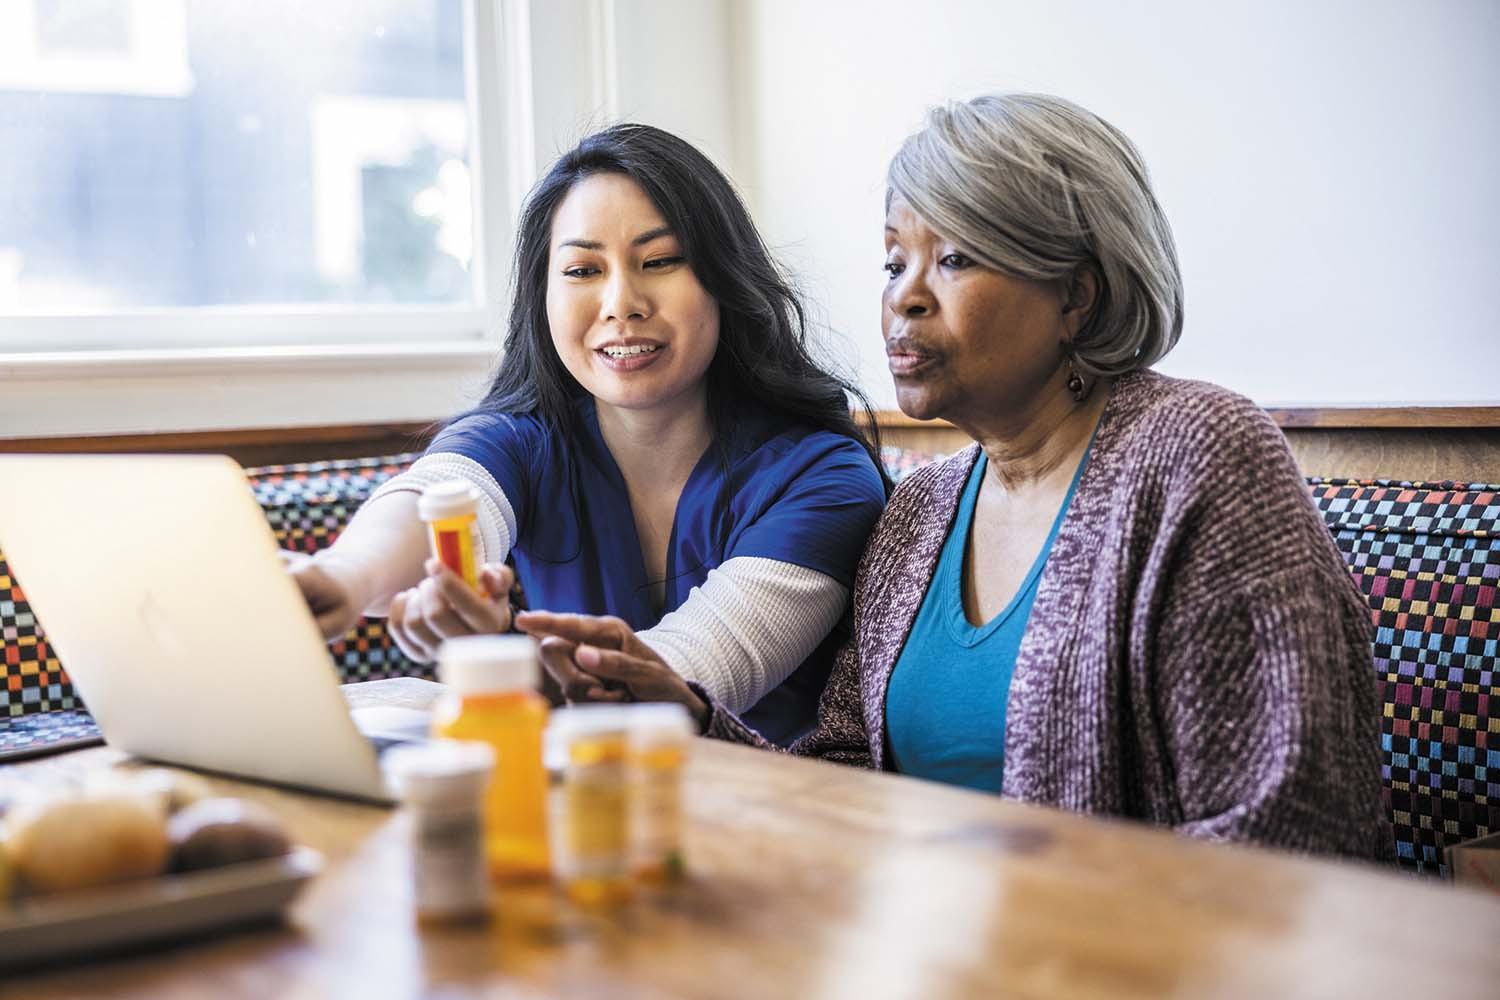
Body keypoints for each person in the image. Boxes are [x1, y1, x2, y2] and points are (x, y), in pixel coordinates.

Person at [518, 94, 1389, 859]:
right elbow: (847, 785)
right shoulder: (920, 511)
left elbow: (1294, 826)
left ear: (1076, 295)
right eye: (895, 261)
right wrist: (685, 712)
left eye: (957, 259)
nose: (906, 296)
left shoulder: (1198, 455)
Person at [290, 123, 888, 746]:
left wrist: (496, 650)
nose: (621, 302)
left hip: (772, 813)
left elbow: (679, 682)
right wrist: (341, 580)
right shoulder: (522, 441)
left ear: (723, 280)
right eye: (582, 270)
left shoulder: (824, 478)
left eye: (659, 261)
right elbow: (440, 499)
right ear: (542, 297)